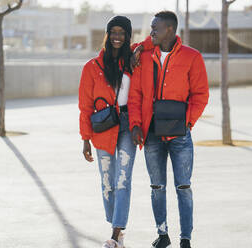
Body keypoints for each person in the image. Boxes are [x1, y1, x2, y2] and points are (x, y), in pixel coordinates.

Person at [128, 11, 209, 248]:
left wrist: (187, 122)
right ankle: (162, 234)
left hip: (180, 135)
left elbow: (201, 94)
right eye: (151, 28)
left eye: (155, 28)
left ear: (170, 30)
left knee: (183, 187)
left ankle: (186, 238)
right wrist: (135, 124)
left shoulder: (192, 57)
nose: (151, 32)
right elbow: (135, 95)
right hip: (151, 134)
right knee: (157, 187)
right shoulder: (143, 56)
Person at [78, 16, 153, 248]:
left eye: (123, 33)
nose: (117, 37)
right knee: (107, 181)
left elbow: (154, 41)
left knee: (123, 179)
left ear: (128, 36)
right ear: (108, 35)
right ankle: (117, 229)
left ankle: (116, 231)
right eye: (114, 32)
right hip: (103, 126)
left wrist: (139, 47)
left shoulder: (132, 60)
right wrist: (85, 139)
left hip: (129, 123)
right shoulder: (92, 67)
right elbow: (85, 105)